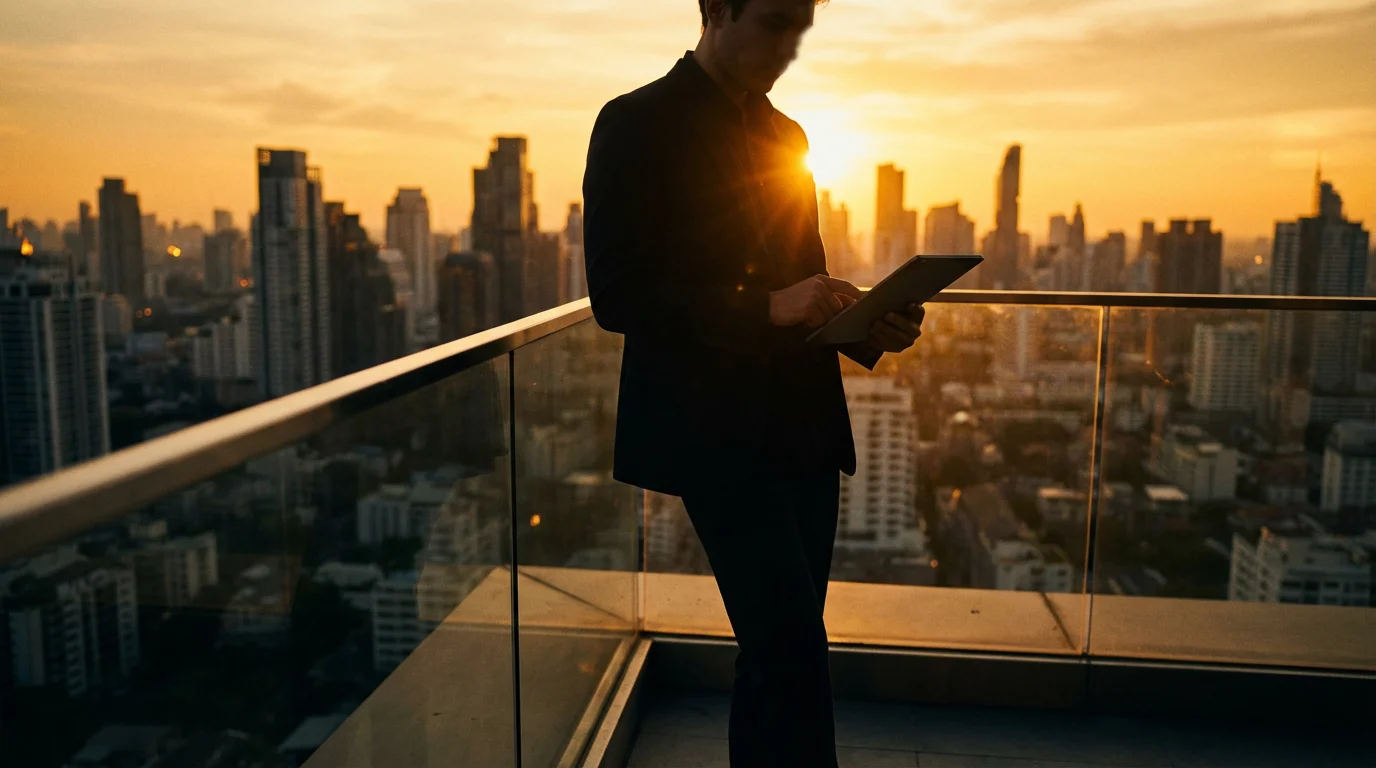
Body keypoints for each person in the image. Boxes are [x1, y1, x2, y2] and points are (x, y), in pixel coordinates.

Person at [582, 0, 925, 764]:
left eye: (798, 27)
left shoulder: (787, 137)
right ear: (716, 9)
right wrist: (769, 305)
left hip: (801, 423)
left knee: (774, 656)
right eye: (773, 22)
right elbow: (618, 294)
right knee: (793, 650)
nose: (788, 46)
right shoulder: (634, 122)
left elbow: (805, 283)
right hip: (713, 434)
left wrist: (867, 323)